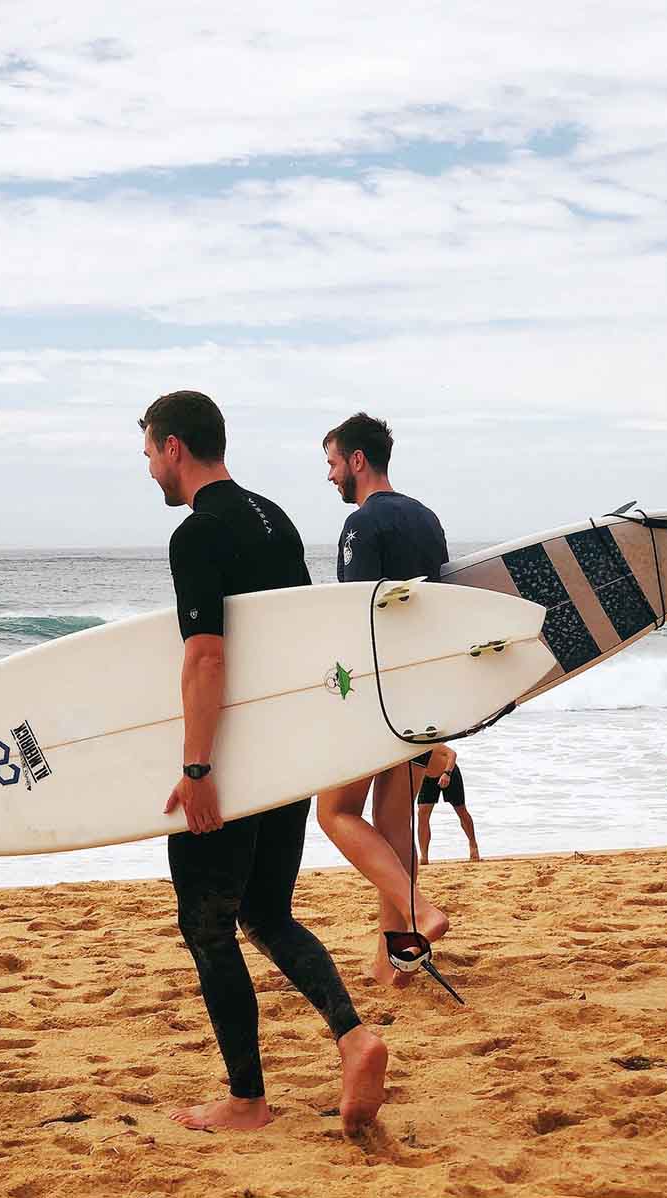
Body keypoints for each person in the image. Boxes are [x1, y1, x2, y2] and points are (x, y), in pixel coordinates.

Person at [141, 390, 388, 1135]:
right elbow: (300, 639)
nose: (150, 467)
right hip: (286, 750)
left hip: (234, 762)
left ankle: (247, 1100)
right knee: (266, 911)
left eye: (150, 452)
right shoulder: (273, 516)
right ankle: (353, 1037)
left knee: (207, 924)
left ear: (176, 447)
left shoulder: (197, 534)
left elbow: (207, 654)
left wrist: (196, 769)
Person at [313, 413, 452, 987]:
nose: (330, 477)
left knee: (335, 813)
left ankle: (419, 914)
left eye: (332, 463)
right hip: (419, 690)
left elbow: (358, 616)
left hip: (376, 693)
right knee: (393, 831)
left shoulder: (361, 525)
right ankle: (396, 960)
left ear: (357, 461)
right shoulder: (428, 520)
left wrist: (334, 693)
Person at [414, 746, 480, 864]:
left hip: (449, 772)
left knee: (461, 810)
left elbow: (452, 754)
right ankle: (424, 856)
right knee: (422, 814)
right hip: (427, 778)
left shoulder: (429, 742)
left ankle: (473, 844)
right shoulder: (406, 749)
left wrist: (447, 773)